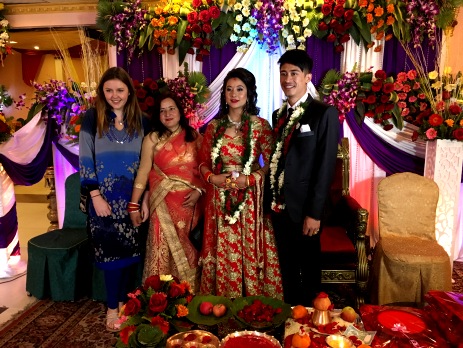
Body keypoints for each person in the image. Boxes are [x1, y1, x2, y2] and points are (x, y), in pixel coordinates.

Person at [198, 67, 283, 299]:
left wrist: (252, 178)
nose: (234, 94)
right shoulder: (214, 127)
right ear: (223, 94)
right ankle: (222, 305)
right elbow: (202, 163)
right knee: (222, 250)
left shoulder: (260, 126)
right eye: (229, 89)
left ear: (249, 93)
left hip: (249, 201)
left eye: (239, 89)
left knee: (249, 249)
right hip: (219, 198)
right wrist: (212, 178)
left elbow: (272, 163)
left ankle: (254, 307)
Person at [79, 67, 148, 331]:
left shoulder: (142, 121)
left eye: (120, 90)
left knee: (131, 254)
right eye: (109, 90)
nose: (114, 95)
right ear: (102, 92)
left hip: (133, 200)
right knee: (110, 257)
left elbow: (147, 162)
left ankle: (125, 304)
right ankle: (111, 308)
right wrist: (95, 195)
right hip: (103, 201)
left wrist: (144, 200)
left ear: (129, 91)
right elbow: (85, 160)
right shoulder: (91, 118)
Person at [268, 49, 339, 306]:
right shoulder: (278, 116)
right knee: (285, 268)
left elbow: (325, 167)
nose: (288, 79)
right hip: (279, 209)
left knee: (309, 272)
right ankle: (288, 318)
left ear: (308, 77)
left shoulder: (323, 113)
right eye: (284, 73)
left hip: (306, 209)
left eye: (294, 73)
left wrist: (314, 213)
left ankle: (310, 327)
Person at [129, 93, 205, 291]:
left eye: (172, 108)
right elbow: (144, 171)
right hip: (161, 201)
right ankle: (160, 298)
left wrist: (199, 190)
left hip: (190, 204)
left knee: (187, 249)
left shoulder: (195, 137)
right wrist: (134, 204)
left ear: (180, 111)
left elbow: (206, 168)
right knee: (161, 247)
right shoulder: (153, 139)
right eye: (162, 111)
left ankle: (190, 294)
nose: (167, 114)